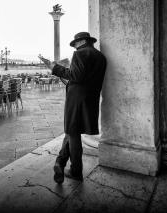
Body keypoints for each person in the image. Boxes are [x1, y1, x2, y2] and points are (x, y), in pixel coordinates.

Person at [40, 32, 107, 183]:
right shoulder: (101, 57)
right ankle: (60, 162)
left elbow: (75, 76)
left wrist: (54, 67)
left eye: (75, 43)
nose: (75, 47)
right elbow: (84, 77)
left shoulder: (80, 54)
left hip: (76, 100)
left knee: (73, 132)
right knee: (72, 131)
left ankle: (76, 171)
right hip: (91, 100)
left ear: (82, 41)